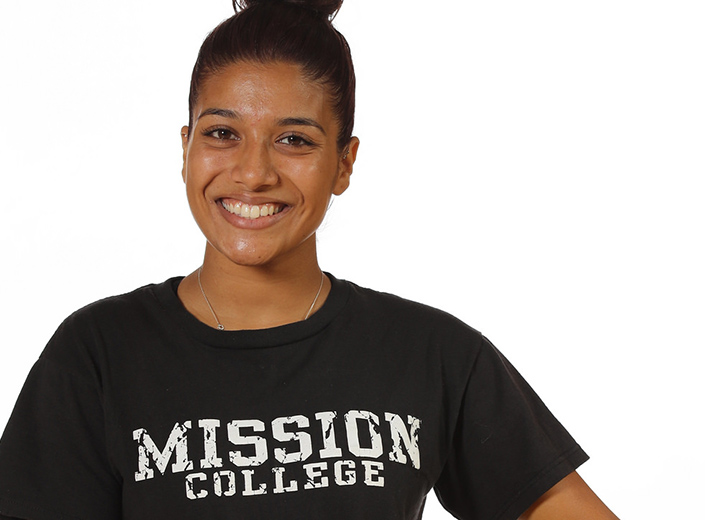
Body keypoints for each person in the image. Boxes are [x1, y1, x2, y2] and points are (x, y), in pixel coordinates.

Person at [0, 1, 619, 518]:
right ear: (185, 146)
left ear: (345, 163)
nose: (252, 172)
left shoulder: (429, 354)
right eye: (221, 133)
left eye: (294, 140)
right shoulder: (98, 355)